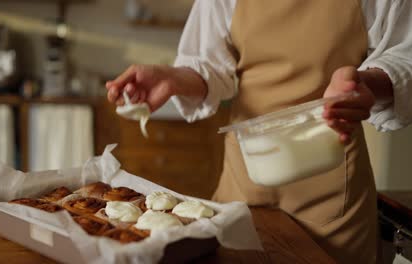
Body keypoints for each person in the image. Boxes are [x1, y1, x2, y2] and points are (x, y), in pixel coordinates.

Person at [106, 1, 412, 263]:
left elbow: (405, 56)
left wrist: (365, 84)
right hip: (244, 182)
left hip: (335, 193)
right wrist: (172, 77)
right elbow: (208, 68)